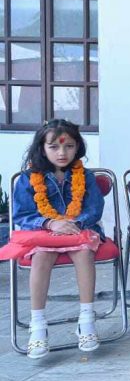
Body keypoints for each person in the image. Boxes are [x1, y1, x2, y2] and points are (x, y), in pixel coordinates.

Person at [3, 120, 104, 358]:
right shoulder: (29, 178)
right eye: (54, 147)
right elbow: (22, 215)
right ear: (42, 147)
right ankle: (38, 326)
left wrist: (74, 223)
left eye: (69, 146)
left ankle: (86, 320)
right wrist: (49, 223)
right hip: (43, 232)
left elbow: (94, 209)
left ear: (77, 147)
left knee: (84, 251)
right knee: (41, 256)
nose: (62, 153)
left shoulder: (85, 176)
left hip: (78, 229)